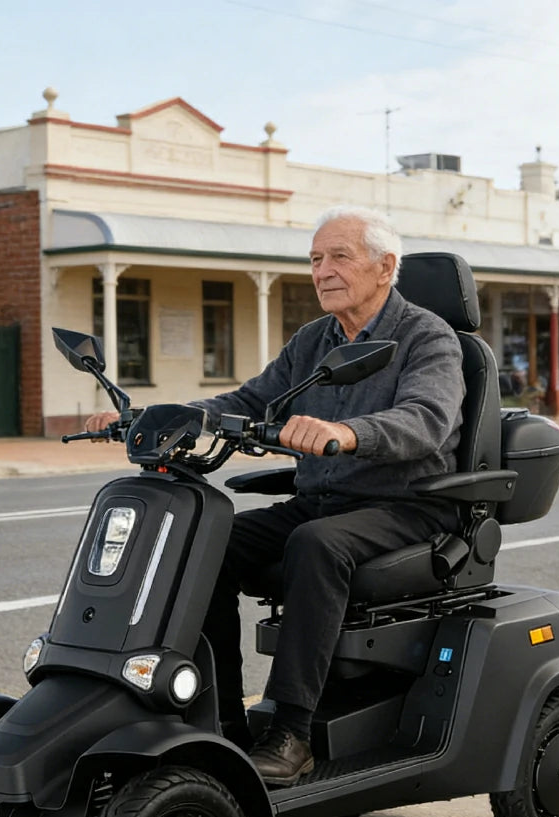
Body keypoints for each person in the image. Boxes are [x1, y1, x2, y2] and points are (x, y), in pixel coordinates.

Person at [84, 205, 465, 785]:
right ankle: (221, 719)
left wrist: (346, 433)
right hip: (325, 500)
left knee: (316, 545)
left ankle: (292, 732)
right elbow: (248, 400)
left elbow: (426, 420)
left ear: (385, 267)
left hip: (407, 505)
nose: (322, 271)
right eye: (315, 259)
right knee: (205, 542)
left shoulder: (427, 337)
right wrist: (153, 416)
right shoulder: (314, 340)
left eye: (339, 257)